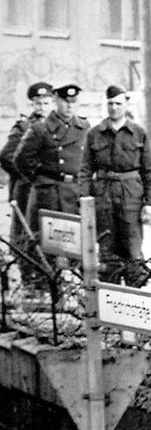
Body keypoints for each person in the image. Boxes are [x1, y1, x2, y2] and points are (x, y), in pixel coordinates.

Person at [78, 84, 151, 286]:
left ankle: (136, 300)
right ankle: (110, 303)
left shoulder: (138, 133)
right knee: (107, 249)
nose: (114, 108)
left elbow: (148, 171)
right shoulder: (95, 134)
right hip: (103, 196)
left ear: (126, 104)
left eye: (118, 103)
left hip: (131, 196)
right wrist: (85, 200)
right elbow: (86, 170)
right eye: (110, 103)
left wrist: (150, 203)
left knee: (132, 248)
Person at [12, 83, 88, 288]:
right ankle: (41, 285)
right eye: (65, 102)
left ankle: (71, 286)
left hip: (74, 192)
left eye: (74, 102)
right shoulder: (40, 129)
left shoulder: (85, 128)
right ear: (56, 101)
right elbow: (20, 160)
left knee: (73, 240)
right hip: (48, 194)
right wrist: (40, 179)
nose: (70, 106)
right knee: (43, 241)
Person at [0, 82, 53, 281]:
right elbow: (6, 156)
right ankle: (28, 276)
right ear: (32, 105)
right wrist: (28, 175)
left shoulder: (56, 127)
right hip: (26, 189)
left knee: (49, 232)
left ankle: (47, 279)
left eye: (46, 103)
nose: (42, 108)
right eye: (38, 103)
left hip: (49, 190)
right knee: (26, 233)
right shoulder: (24, 126)